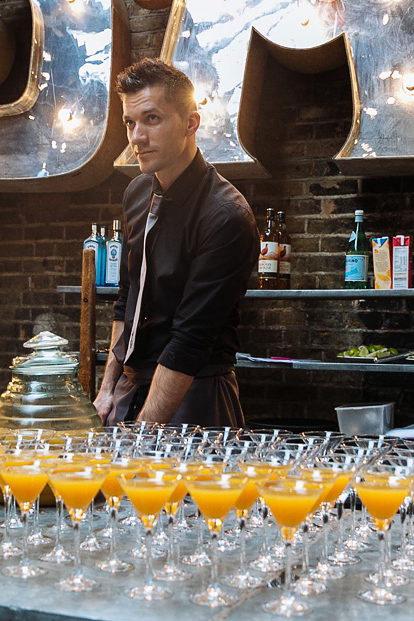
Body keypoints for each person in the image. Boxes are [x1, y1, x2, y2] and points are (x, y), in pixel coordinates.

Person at [94, 58, 258, 427]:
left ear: (190, 123)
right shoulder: (136, 192)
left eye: (151, 119)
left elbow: (189, 342)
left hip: (194, 395)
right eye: (130, 123)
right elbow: (127, 300)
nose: (136, 137)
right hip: (129, 389)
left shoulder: (226, 216)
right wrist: (107, 389)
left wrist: (145, 432)